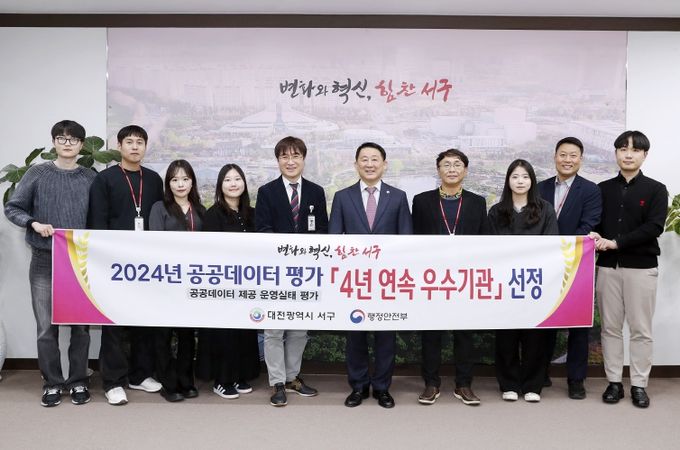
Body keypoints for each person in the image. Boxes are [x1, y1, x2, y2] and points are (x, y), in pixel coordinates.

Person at [4, 120, 96, 407]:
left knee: (80, 327)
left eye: (73, 139)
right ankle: (52, 383)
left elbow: (99, 217)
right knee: (46, 327)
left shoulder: (91, 177)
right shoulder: (37, 173)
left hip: (80, 263)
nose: (67, 143)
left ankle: (79, 381)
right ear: (54, 142)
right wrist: (33, 223)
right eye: (61, 138)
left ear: (82, 145)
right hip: (44, 260)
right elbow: (13, 207)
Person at [329, 142, 413, 409]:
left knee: (385, 336)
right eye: (364, 159)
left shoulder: (398, 197)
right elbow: (333, 240)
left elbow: (406, 240)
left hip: (387, 280)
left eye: (374, 159)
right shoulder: (342, 197)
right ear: (356, 165)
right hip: (353, 279)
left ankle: (382, 387)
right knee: (355, 334)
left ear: (384, 164)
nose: (369, 164)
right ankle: (358, 386)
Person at [589, 131, 667, 408]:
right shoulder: (602, 188)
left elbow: (654, 227)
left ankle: (638, 385)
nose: (628, 154)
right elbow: (596, 223)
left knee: (640, 329)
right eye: (623, 149)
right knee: (610, 328)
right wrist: (595, 235)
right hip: (607, 268)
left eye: (635, 150)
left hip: (641, 268)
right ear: (616, 154)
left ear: (645, 155)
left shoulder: (656, 189)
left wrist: (617, 242)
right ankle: (613, 382)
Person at [87, 125, 164, 405]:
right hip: (114, 262)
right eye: (129, 142)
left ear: (145, 147)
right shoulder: (105, 179)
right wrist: (103, 259)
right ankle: (113, 381)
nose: (134, 146)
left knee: (144, 319)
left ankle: (140, 375)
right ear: (119, 146)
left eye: (139, 142)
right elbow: (97, 221)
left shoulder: (154, 179)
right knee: (114, 323)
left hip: (146, 262)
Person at [255, 136, 328, 407]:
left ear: (304, 159)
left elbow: (323, 230)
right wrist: (287, 251)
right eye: (284, 156)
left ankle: (292, 377)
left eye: (296, 156)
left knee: (299, 328)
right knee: (274, 329)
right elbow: (262, 229)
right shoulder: (266, 191)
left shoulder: (316, 191)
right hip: (276, 271)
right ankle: (277, 381)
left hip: (306, 272)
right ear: (278, 161)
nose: (290, 161)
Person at [412, 149, 488, 406]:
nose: (452, 169)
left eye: (457, 165)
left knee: (464, 333)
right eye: (446, 165)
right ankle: (431, 384)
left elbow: (485, 240)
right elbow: (413, 240)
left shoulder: (477, 202)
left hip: (465, 278)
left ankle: (463, 384)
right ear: (438, 170)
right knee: (431, 332)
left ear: (465, 170)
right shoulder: (422, 201)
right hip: (432, 278)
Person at [488, 159, 558, 403]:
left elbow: (552, 245)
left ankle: (532, 385)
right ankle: (508, 383)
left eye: (525, 177)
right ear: (508, 180)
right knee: (506, 336)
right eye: (515, 177)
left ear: (532, 181)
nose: (520, 181)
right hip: (505, 282)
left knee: (534, 336)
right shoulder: (496, 211)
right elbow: (488, 247)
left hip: (535, 282)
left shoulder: (545, 209)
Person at [538, 137, 601, 399]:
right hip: (543, 265)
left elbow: (589, 224)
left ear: (580, 159)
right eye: (563, 154)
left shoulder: (590, 190)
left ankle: (576, 379)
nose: (567, 160)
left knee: (577, 324)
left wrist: (561, 248)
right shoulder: (539, 187)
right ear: (555, 157)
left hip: (576, 264)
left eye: (573, 155)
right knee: (544, 320)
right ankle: (540, 372)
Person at [196, 163, 261, 400]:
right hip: (222, 285)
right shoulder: (213, 214)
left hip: (248, 284)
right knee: (224, 333)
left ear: (244, 183)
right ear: (220, 185)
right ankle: (222, 380)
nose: (233, 184)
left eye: (237, 179)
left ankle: (240, 375)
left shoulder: (253, 213)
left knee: (243, 331)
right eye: (228, 180)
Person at [149, 159, 205, 402]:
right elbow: (154, 243)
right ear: (168, 183)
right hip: (166, 280)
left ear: (192, 182)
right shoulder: (159, 208)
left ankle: (186, 380)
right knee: (163, 334)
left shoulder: (200, 210)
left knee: (186, 334)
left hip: (192, 282)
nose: (180, 184)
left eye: (185, 179)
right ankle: (168, 382)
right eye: (175, 179)